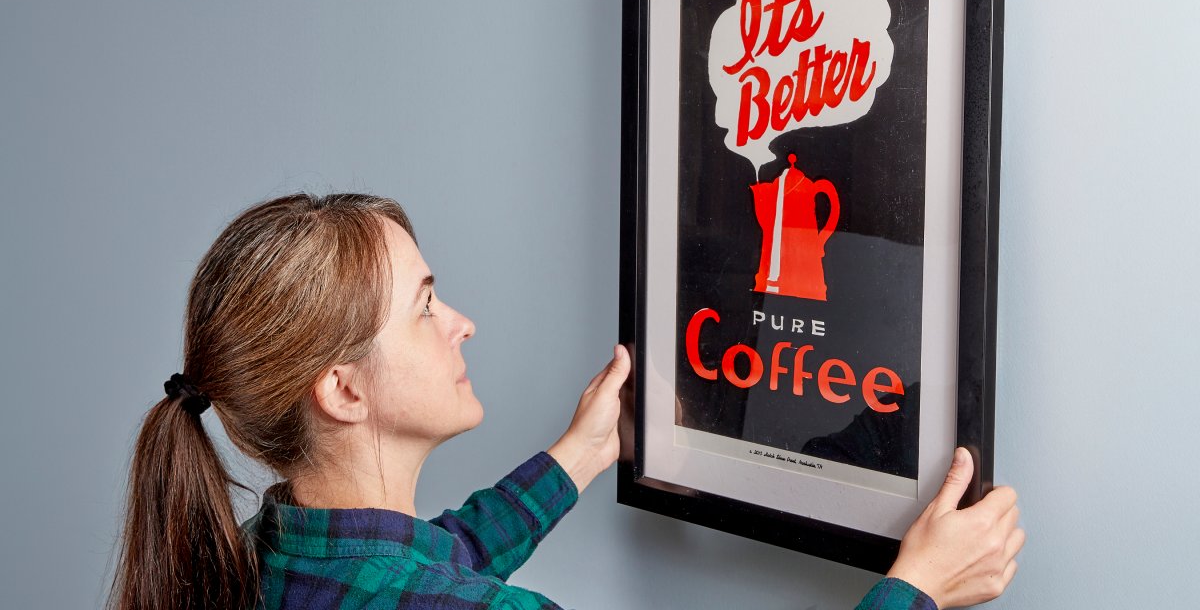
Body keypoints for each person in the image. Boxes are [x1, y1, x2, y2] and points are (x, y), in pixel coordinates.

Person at [110, 194, 1023, 610]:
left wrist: (581, 453)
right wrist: (919, 590)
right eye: (425, 306)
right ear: (343, 390)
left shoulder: (263, 560)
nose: (461, 322)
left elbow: (439, 557)